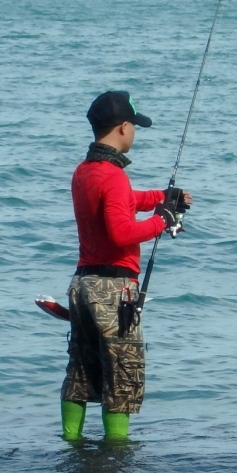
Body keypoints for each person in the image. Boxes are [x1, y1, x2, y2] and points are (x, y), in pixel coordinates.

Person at [60, 91, 192, 441]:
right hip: (114, 290)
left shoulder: (85, 171)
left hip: (83, 284)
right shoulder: (114, 175)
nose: (134, 132)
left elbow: (121, 202)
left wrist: (161, 198)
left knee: (80, 371)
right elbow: (121, 232)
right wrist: (163, 220)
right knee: (122, 375)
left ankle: (70, 443)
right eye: (134, 126)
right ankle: (115, 456)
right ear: (122, 127)